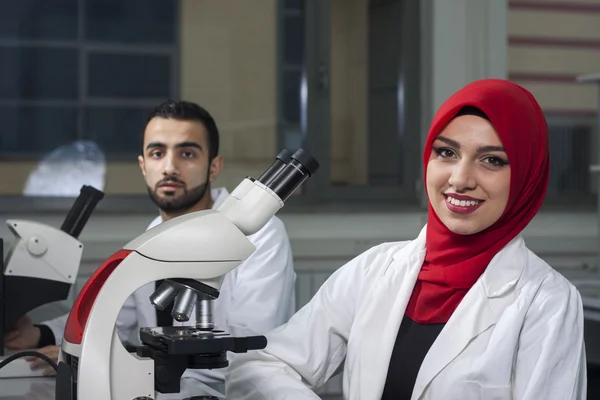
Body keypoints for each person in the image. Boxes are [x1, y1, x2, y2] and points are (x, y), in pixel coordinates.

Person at [224, 79, 587, 400]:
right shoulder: (374, 269)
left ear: (527, 178)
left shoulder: (546, 301)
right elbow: (260, 365)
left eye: (492, 160)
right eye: (446, 152)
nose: (460, 179)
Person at [4, 100, 296, 395]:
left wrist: (139, 359)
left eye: (187, 153)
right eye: (157, 153)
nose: (170, 167)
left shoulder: (260, 234)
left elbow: (253, 342)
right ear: (143, 166)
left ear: (213, 167)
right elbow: (112, 312)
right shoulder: (153, 236)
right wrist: (38, 335)